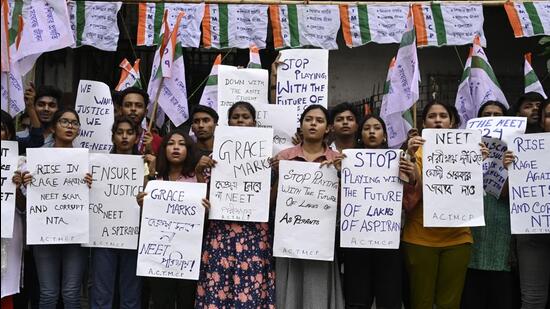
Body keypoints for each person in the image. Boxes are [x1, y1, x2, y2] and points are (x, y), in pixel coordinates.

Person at [402, 101, 489, 309]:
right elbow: (415, 191)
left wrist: (480, 162)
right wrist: (410, 158)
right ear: (425, 123)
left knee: (450, 303)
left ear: (451, 123)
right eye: (432, 116)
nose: (438, 120)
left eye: (443, 116)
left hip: (458, 238)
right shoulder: (415, 151)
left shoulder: (468, 149)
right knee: (421, 301)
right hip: (420, 238)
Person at [195, 101, 276, 308]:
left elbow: (271, 200)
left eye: (245, 117)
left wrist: (278, 171)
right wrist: (198, 172)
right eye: (235, 117)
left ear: (254, 122)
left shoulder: (267, 157)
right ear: (228, 122)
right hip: (221, 233)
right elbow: (203, 198)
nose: (240, 120)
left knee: (249, 290)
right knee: (218, 286)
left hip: (254, 235)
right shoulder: (214, 158)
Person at [342, 115, 417, 309]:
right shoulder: (347, 160)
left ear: (384, 135)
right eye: (367, 128)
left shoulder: (398, 161)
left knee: (389, 298)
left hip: (388, 240)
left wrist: (410, 175)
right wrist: (338, 172)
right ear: (361, 135)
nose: (372, 131)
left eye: (377, 128)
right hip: (356, 240)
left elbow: (408, 200)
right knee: (357, 299)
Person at [274, 104, 344, 309]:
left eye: (319, 120)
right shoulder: (284, 157)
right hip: (289, 237)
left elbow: (346, 203)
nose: (313, 124)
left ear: (328, 128)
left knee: (317, 291)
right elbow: (269, 201)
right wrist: (277, 175)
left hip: (322, 239)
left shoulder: (337, 159)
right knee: (290, 288)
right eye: (309, 119)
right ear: (301, 125)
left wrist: (341, 174)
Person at [21, 108, 93, 309]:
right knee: (48, 294)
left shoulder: (89, 162)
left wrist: (91, 186)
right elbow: (25, 201)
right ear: (53, 127)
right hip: (44, 234)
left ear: (79, 130)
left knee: (71, 294)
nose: (70, 126)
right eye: (64, 121)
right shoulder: (34, 161)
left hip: (75, 237)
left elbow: (98, 200)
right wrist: (26, 184)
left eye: (74, 123)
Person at [137, 129, 205, 308]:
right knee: (161, 302)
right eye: (171, 144)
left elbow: (204, 215)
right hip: (159, 257)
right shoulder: (154, 179)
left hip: (188, 256)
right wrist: (141, 202)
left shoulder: (197, 180)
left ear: (189, 150)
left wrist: (206, 207)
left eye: (182, 144)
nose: (176, 148)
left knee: (186, 302)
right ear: (164, 149)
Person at [460, 101, 516, 309]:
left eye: (497, 114)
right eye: (486, 114)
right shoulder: (465, 148)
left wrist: (508, 169)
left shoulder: (517, 150)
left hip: (503, 229)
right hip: (472, 231)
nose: (492, 118)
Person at [90, 116, 144, 309]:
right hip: (104, 236)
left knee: (131, 293)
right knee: (101, 292)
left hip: (133, 236)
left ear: (137, 138)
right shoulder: (97, 164)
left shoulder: (145, 165)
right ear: (112, 137)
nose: (124, 137)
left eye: (129, 133)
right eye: (119, 132)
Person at [503, 98, 550, 309]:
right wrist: (509, 169)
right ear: (541, 121)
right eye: (548, 115)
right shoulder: (523, 149)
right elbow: (506, 192)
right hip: (533, 232)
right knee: (533, 299)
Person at [1, 112, 25, 309]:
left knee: (5, 287)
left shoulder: (19, 163)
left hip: (9, 233)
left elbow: (26, 208)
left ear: (9, 133)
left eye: (1, 128)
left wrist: (17, 189)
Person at [116, 87, 162, 154]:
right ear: (120, 110)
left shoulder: (157, 141)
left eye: (139, 106)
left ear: (145, 112)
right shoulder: (107, 138)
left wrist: (151, 152)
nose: (133, 109)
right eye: (128, 105)